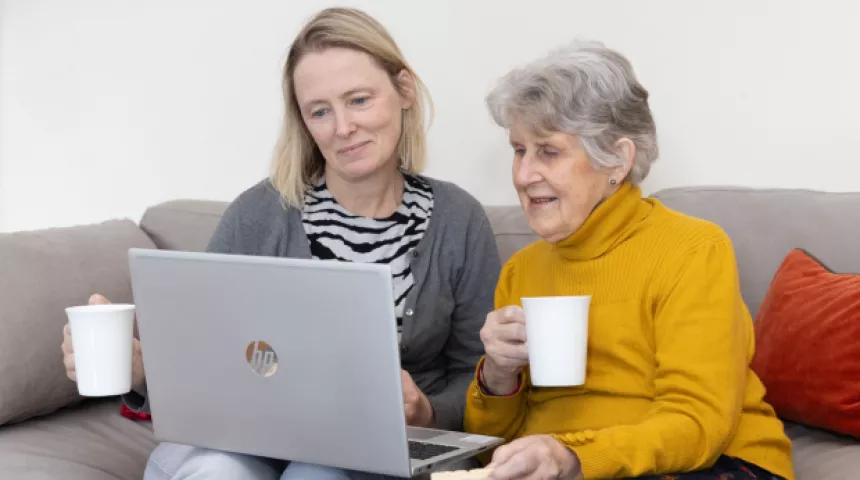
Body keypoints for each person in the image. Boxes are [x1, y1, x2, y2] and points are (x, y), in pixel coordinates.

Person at [61, 7, 501, 479]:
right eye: (320, 111)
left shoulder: (458, 219)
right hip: (249, 439)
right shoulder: (258, 214)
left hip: (382, 451)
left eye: (358, 100)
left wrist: (426, 413)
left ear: (404, 90)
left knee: (317, 474)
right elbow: (206, 357)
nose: (343, 127)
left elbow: (481, 376)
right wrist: (143, 371)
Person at [463, 40, 796, 480]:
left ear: (617, 159)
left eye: (549, 151)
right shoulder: (521, 270)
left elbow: (697, 426)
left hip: (710, 464)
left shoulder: (692, 250)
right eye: (519, 150)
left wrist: (572, 456)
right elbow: (490, 448)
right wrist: (499, 375)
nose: (524, 176)